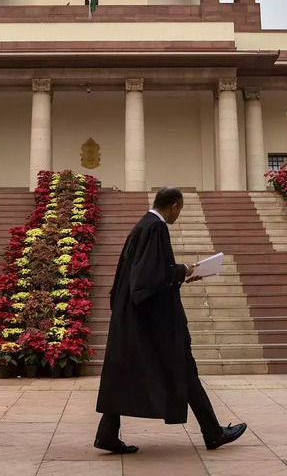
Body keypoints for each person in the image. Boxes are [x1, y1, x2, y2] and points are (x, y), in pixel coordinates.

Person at [94, 186, 247, 454]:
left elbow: (145, 275)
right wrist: (182, 270)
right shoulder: (156, 228)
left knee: (125, 373)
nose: (179, 215)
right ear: (175, 206)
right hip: (155, 322)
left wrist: (181, 275)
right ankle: (212, 433)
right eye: (180, 210)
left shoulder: (143, 225)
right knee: (184, 369)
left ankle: (107, 433)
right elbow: (147, 279)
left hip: (135, 317)